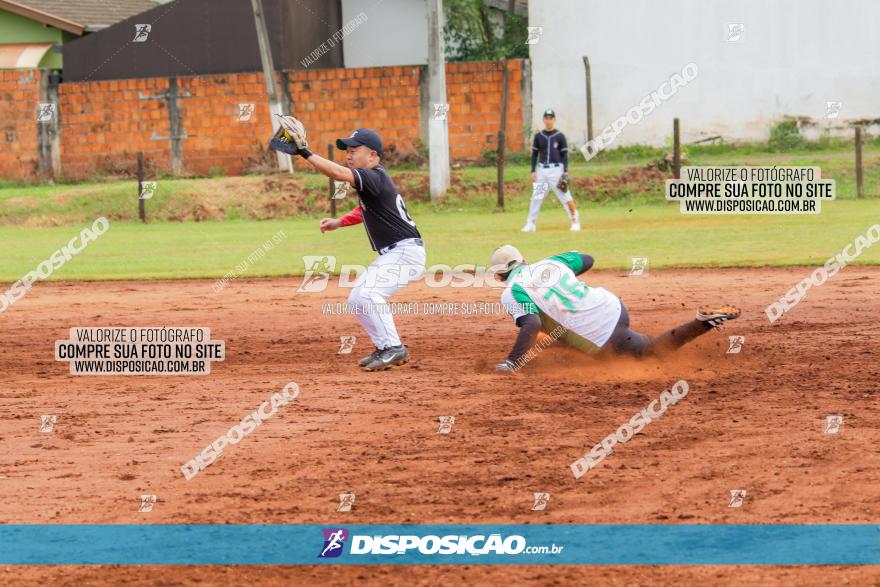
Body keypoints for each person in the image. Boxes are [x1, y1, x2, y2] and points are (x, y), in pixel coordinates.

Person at [270, 119, 425, 372]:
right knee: (357, 298)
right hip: (399, 252)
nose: (348, 154)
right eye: (347, 150)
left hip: (405, 252)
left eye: (354, 150)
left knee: (368, 294)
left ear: (372, 155)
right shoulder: (374, 181)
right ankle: (385, 347)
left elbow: (338, 174)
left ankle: (395, 347)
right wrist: (340, 222)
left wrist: (305, 151)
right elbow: (367, 210)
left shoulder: (373, 176)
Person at [488, 245, 740, 371]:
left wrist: (513, 363)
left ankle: (702, 322)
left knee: (650, 351)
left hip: (601, 331)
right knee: (550, 335)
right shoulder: (552, 262)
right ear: (524, 261)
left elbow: (530, 324)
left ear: (500, 275)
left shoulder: (511, 292)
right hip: (612, 305)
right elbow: (588, 259)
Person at [523, 108, 580, 232]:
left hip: (556, 170)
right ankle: (531, 223)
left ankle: (575, 221)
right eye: (546, 118)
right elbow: (534, 154)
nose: (548, 120)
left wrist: (565, 170)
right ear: (544, 119)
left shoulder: (560, 136)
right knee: (537, 197)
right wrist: (533, 170)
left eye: (551, 118)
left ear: (554, 120)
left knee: (564, 195)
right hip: (542, 170)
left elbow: (564, 154)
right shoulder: (539, 136)